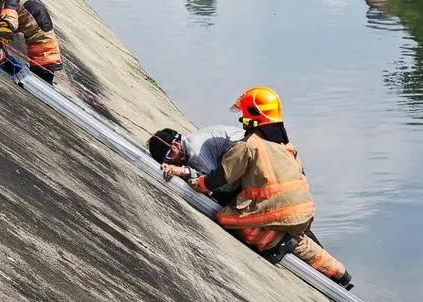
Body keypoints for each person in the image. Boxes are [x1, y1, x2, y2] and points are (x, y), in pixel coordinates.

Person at [186, 87, 351, 287]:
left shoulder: (247, 146)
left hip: (279, 216)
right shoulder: (287, 147)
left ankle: (275, 244)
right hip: (305, 215)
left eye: (244, 114)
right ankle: (341, 275)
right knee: (302, 243)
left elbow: (220, 179)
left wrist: (193, 181)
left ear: (252, 115)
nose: (242, 119)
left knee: (226, 217)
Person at [149, 124, 244, 206]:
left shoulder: (194, 150)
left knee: (220, 195)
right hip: (242, 155)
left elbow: (213, 181)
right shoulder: (189, 145)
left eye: (168, 158)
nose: (170, 163)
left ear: (175, 146)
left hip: (246, 157)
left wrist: (182, 171)